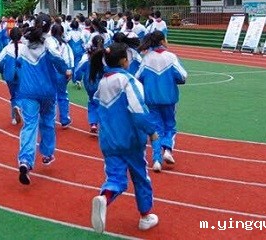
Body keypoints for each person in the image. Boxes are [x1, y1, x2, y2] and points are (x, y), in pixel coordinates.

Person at [89, 43, 159, 233]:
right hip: (130, 139)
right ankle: (145, 216)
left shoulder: (102, 82)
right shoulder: (128, 81)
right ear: (123, 61)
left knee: (115, 177)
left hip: (108, 140)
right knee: (140, 177)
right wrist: (151, 131)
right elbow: (138, 111)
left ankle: (105, 197)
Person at [15, 13, 69, 185]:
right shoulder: (49, 43)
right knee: (47, 121)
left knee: (30, 125)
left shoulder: (25, 44)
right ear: (49, 27)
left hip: (28, 91)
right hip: (46, 90)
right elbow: (57, 59)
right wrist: (65, 70)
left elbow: (18, 63)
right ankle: (47, 153)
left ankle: (25, 160)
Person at [135, 30, 187, 172]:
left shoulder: (146, 58)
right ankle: (168, 150)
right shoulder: (171, 57)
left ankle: (157, 159)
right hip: (169, 98)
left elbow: (138, 77)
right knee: (170, 126)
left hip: (151, 99)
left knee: (156, 128)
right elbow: (182, 76)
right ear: (163, 41)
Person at [73, 34, 105, 135]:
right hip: (102, 82)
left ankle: (93, 123)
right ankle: (103, 124)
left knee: (92, 101)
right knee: (103, 103)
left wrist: (77, 78)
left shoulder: (87, 55)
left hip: (90, 81)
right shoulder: (105, 55)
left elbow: (79, 69)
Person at [0, 27, 23, 125]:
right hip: (22, 74)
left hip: (9, 75)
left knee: (13, 95)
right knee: (22, 93)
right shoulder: (25, 48)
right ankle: (19, 106)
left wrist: (2, 71)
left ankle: (14, 117)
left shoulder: (7, 48)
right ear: (21, 36)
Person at [49, 24, 74, 129]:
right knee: (62, 95)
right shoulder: (65, 45)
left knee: (51, 96)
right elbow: (69, 59)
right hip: (61, 73)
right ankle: (64, 119)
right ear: (62, 32)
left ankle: (50, 120)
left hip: (50, 72)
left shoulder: (48, 42)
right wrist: (69, 70)